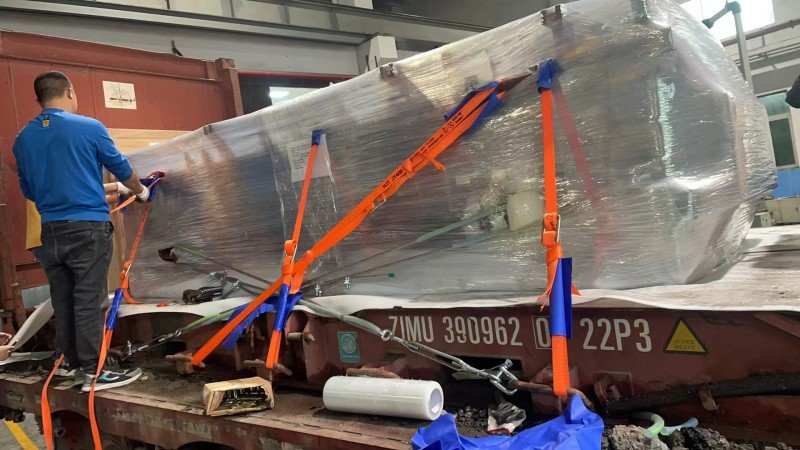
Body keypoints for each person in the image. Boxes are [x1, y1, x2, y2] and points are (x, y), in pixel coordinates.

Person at [12, 71, 148, 392]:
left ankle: (67, 362)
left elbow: (30, 191)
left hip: (51, 232)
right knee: (90, 299)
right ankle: (91, 372)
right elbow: (123, 168)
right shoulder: (89, 127)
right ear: (70, 92)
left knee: (64, 299)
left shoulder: (23, 139)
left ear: (39, 100)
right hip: (87, 229)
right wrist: (140, 191)